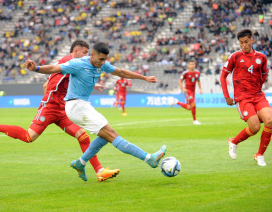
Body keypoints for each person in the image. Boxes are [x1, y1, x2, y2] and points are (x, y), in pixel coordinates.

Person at [0, 40, 120, 181]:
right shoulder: (70, 60)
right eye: (84, 52)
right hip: (50, 107)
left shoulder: (74, 64)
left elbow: (47, 84)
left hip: (62, 109)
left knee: (83, 136)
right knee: (29, 137)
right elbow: (52, 75)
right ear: (76, 51)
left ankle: (99, 171)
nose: (87, 56)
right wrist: (48, 100)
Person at [25, 42, 166, 181]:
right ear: (92, 54)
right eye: (100, 59)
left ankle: (80, 163)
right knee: (112, 134)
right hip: (75, 107)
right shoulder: (78, 64)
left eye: (105, 60)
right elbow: (54, 68)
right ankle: (149, 159)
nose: (102, 63)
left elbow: (121, 72)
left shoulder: (102, 64)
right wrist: (36, 68)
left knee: (105, 137)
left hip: (83, 105)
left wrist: (145, 78)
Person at [220, 29, 272, 166]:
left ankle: (259, 154)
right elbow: (223, 76)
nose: (244, 45)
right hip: (242, 98)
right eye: (241, 42)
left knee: (270, 120)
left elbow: (264, 74)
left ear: (252, 40)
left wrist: (259, 85)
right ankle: (234, 141)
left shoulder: (261, 57)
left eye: (246, 42)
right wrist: (227, 96)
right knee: (255, 128)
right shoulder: (235, 56)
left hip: (258, 95)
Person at [170, 60, 203, 125]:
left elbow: (198, 81)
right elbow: (180, 82)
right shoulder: (185, 73)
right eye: (190, 64)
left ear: (195, 65)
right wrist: (183, 88)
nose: (192, 65)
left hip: (193, 91)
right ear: (188, 65)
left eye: (193, 64)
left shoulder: (197, 73)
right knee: (193, 103)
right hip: (188, 91)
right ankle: (195, 120)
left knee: (189, 107)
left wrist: (200, 89)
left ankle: (177, 102)